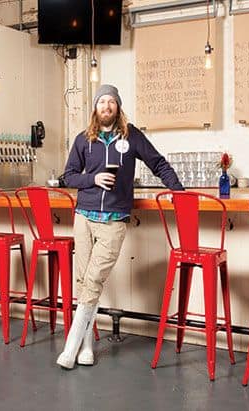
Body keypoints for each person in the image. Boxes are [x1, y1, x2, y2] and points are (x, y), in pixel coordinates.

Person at [56, 84, 184, 369]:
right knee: (83, 281)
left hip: (114, 219)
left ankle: (70, 347)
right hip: (84, 216)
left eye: (111, 101)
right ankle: (86, 347)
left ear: (118, 107)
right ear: (95, 108)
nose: (106, 106)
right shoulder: (82, 140)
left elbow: (158, 164)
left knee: (93, 279)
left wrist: (179, 192)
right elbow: (69, 176)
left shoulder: (132, 136)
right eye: (101, 101)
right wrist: (93, 179)